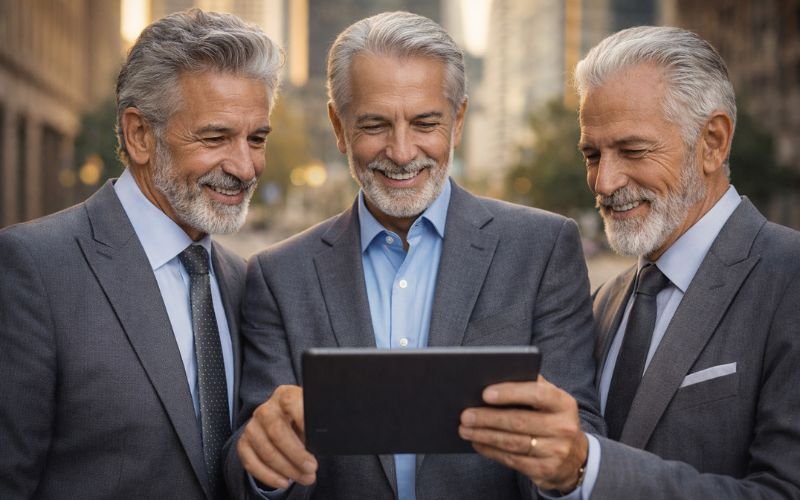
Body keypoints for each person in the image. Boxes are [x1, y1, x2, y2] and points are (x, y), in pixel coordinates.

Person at [225, 10, 604, 500]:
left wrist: (563, 464)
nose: (402, 152)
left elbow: (580, 437)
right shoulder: (277, 276)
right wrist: (264, 468)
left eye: (425, 123)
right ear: (338, 126)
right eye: (375, 125)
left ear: (458, 121)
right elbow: (252, 459)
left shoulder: (543, 249)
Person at [0, 9, 282, 500]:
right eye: (215, 137)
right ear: (139, 135)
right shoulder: (33, 269)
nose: (244, 166)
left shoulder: (243, 280)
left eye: (256, 139)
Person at [570, 26, 799, 498]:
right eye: (592, 154)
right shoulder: (605, 302)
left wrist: (588, 470)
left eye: (633, 150)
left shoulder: (789, 279)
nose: (604, 182)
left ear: (713, 142)